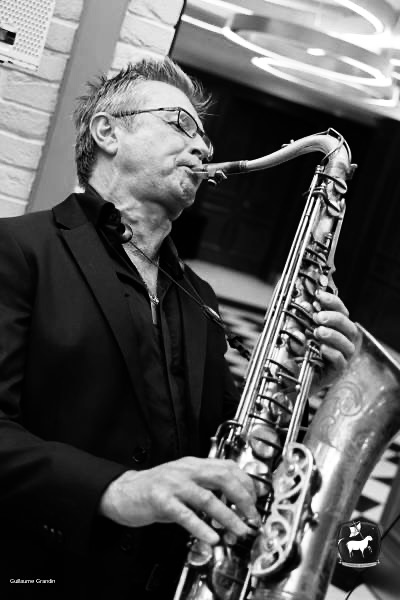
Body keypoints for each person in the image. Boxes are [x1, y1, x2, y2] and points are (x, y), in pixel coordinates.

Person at [0, 56, 357, 599]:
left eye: (205, 136)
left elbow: (236, 440)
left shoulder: (200, 298)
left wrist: (314, 388)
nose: (204, 148)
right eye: (180, 124)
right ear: (108, 131)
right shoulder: (18, 249)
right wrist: (116, 489)